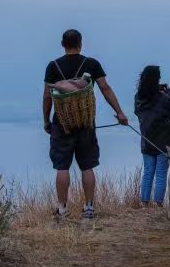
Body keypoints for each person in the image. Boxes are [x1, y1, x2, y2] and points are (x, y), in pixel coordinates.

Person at [42, 29, 128, 221]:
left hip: (62, 123)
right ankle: (88, 208)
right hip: (86, 123)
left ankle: (62, 210)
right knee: (87, 166)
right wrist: (120, 113)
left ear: (63, 44)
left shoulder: (53, 66)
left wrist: (46, 120)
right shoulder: (91, 64)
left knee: (62, 167)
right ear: (80, 44)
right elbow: (105, 88)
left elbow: (47, 96)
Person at [134, 65, 170, 207]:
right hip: (163, 141)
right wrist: (168, 91)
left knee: (148, 172)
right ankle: (157, 203)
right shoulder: (162, 97)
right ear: (157, 79)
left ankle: (144, 203)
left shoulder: (138, 97)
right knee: (161, 173)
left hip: (147, 140)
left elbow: (138, 113)